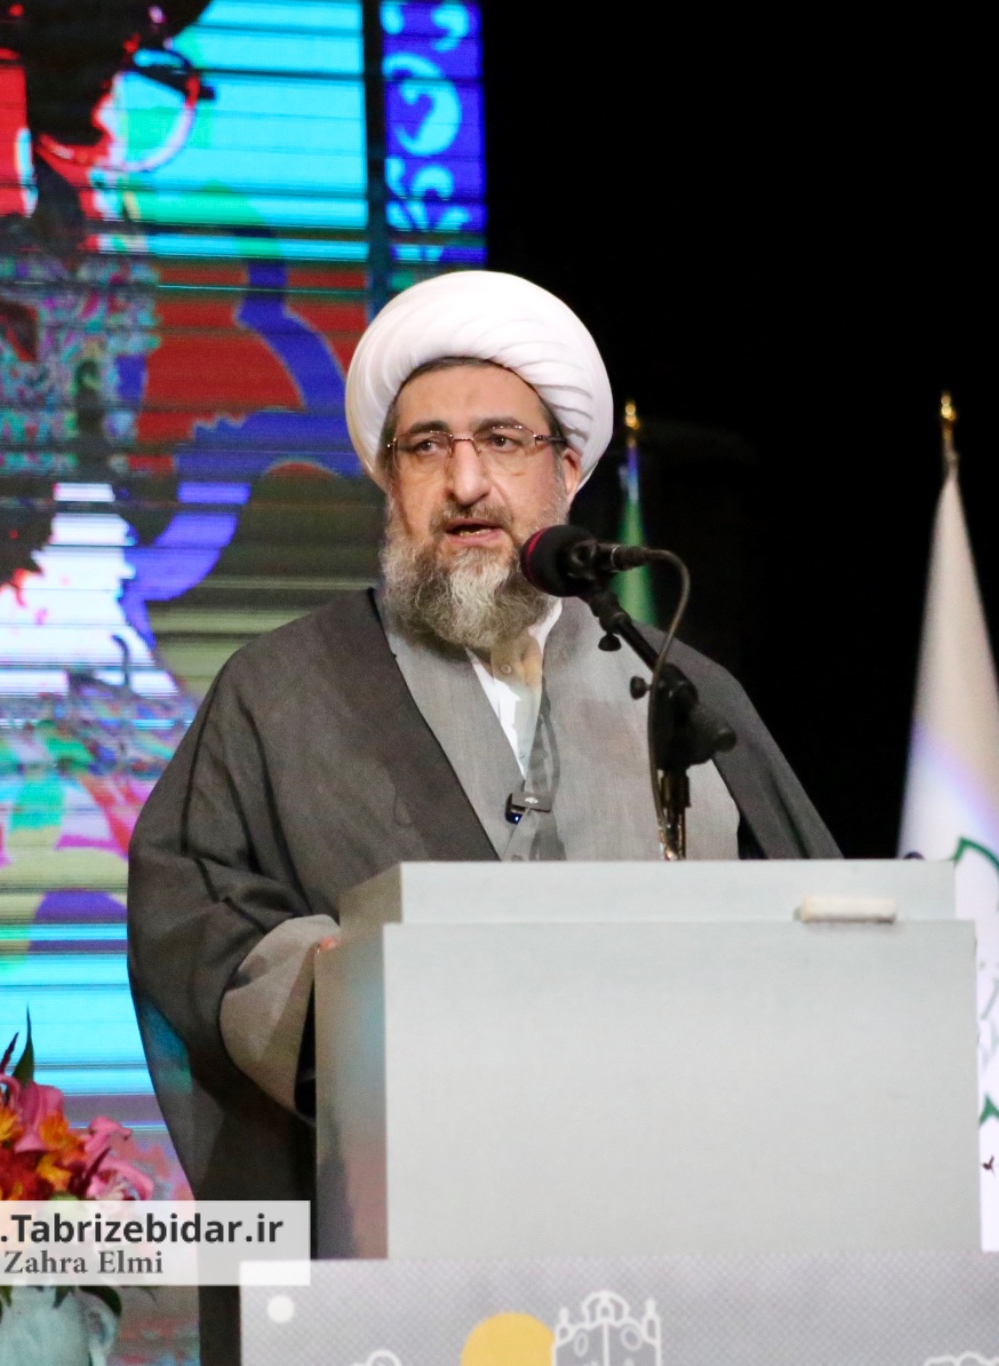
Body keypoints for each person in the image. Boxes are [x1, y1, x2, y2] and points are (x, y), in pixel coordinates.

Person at [126, 271, 839, 1222]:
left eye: (502, 441)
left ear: (568, 468)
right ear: (389, 481)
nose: (466, 484)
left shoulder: (681, 689)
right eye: (427, 448)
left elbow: (814, 935)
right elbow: (191, 908)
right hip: (402, 1206)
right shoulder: (280, 690)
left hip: (674, 1201)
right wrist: (339, 997)